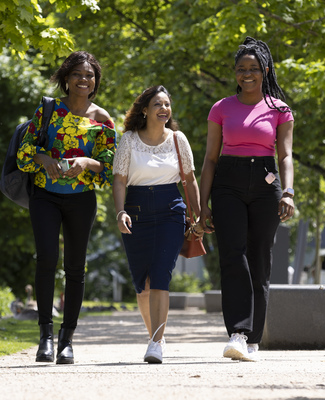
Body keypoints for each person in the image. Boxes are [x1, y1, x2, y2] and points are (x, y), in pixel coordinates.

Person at [16, 51, 116, 364]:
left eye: (89, 75)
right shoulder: (48, 110)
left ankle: (66, 340)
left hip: (81, 199)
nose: (83, 80)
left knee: (75, 267)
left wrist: (87, 161)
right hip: (45, 195)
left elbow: (111, 168)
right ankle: (45, 337)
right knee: (46, 259)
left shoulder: (102, 118)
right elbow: (24, 154)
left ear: (95, 81)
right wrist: (44, 159)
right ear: (66, 78)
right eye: (77, 74)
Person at [198, 37, 295, 362]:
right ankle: (238, 333)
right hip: (228, 183)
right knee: (232, 256)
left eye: (254, 68)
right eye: (242, 69)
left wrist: (289, 192)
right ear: (235, 73)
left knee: (259, 259)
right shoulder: (221, 108)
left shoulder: (279, 110)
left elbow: (285, 156)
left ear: (264, 70)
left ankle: (253, 339)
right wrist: (202, 205)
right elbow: (210, 159)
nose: (248, 74)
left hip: (266, 184)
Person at [113, 85, 202, 364]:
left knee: (161, 275)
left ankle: (156, 342)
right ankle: (155, 337)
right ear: (144, 110)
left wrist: (198, 216)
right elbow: (119, 179)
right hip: (136, 210)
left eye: (166, 104)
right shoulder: (128, 140)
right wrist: (119, 212)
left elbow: (189, 178)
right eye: (157, 105)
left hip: (170, 211)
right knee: (144, 283)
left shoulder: (178, 139)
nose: (164, 109)